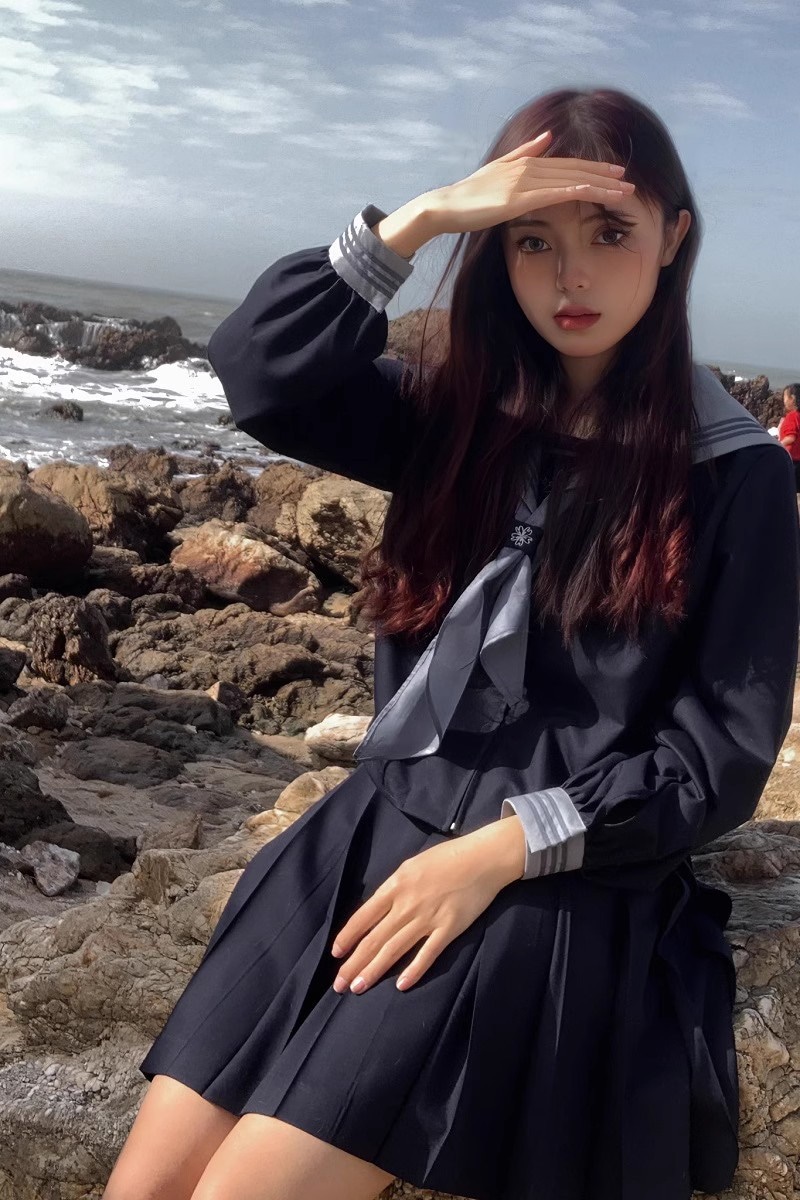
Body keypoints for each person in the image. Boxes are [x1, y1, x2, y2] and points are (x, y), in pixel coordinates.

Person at [104, 88, 800, 1200]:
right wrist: (420, 220)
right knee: (142, 1189)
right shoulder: (460, 416)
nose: (570, 277)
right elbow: (258, 372)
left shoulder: (731, 473)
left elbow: (713, 758)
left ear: (674, 236)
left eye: (608, 233)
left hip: (541, 876)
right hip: (368, 833)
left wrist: (494, 854)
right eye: (531, 240)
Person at [778, 382, 800, 495]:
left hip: (790, 460)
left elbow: (791, 437)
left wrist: (778, 444)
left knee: (785, 490)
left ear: (792, 399)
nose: (784, 400)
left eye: (785, 397)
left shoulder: (792, 416)